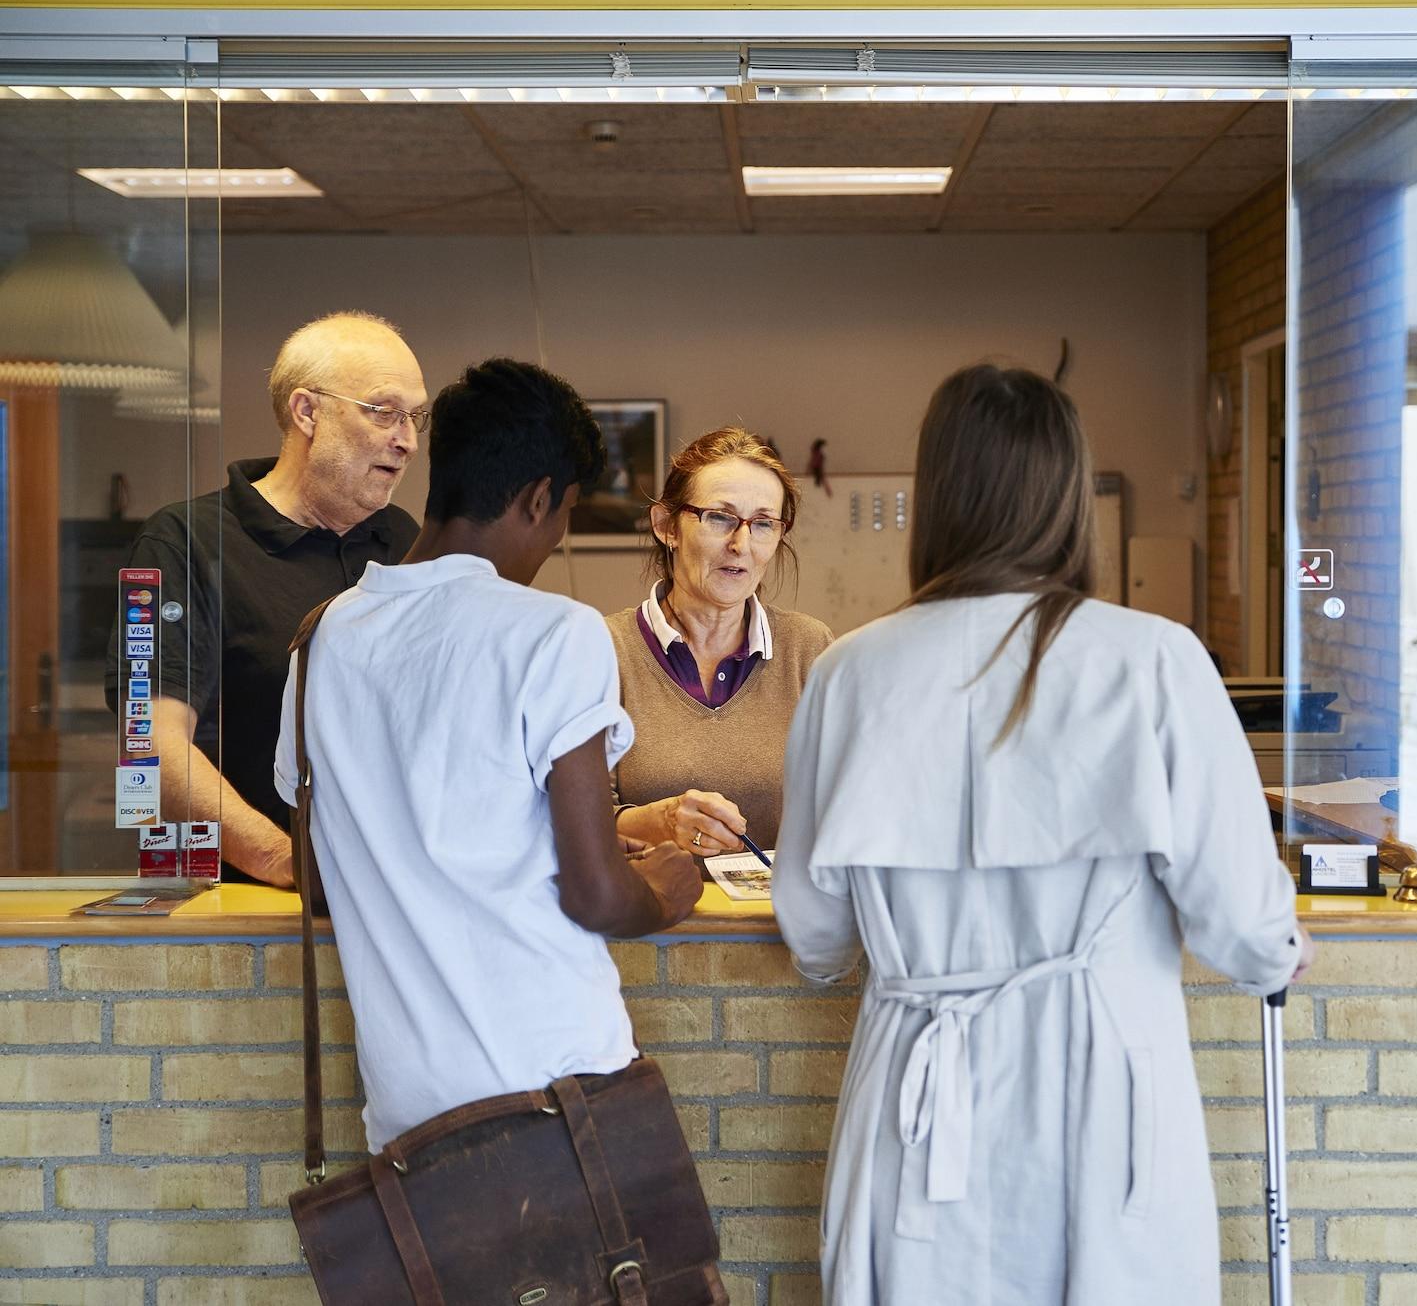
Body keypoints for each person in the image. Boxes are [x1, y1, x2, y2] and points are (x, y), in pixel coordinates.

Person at [772, 364, 1313, 1306]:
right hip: (1099, 1087)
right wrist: (1277, 953)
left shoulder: (849, 674)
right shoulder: (1153, 660)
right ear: (1069, 499)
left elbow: (816, 930)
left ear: (935, 496)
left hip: (914, 1086)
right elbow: (1239, 918)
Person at [274, 357, 704, 1150]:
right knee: (629, 1280)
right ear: (541, 497)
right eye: (564, 512)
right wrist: (669, 886)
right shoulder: (554, 632)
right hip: (556, 1082)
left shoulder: (322, 636)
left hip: (408, 1109)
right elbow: (599, 898)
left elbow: (317, 870)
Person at [109, 311, 427, 885]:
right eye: (383, 411)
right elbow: (148, 740)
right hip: (244, 903)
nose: (405, 440)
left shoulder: (405, 541)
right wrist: (283, 861)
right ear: (308, 412)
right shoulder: (187, 541)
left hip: (398, 895)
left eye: (414, 417)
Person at [608, 428, 833, 859]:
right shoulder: (601, 649)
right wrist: (661, 822)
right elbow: (565, 820)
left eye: (763, 524)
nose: (740, 545)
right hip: (646, 924)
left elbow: (847, 807)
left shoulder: (810, 649)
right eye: (719, 517)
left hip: (776, 924)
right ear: (665, 526)